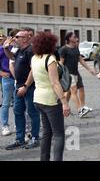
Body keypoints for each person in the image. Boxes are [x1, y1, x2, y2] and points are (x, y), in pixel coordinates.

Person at [31, 32, 71, 161]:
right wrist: (64, 102)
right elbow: (55, 83)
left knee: (46, 133)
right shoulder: (50, 59)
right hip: (50, 100)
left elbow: (32, 76)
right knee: (59, 134)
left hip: (38, 98)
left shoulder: (35, 58)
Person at [3, 29, 41, 150]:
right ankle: (20, 139)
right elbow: (12, 58)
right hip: (18, 86)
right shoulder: (20, 50)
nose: (14, 38)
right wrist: (6, 49)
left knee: (32, 112)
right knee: (18, 112)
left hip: (28, 87)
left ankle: (35, 137)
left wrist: (26, 86)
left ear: (25, 39)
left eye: (17, 37)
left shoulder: (30, 51)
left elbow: (33, 70)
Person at [59, 32, 96, 117]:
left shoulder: (76, 48)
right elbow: (61, 62)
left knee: (79, 89)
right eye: (74, 36)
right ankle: (80, 110)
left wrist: (90, 69)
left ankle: (66, 108)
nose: (76, 37)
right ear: (69, 39)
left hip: (76, 72)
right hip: (68, 73)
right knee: (73, 91)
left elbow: (80, 60)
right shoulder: (63, 49)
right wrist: (59, 74)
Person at [0, 30, 15, 136]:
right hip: (8, 77)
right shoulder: (2, 49)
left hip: (17, 78)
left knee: (17, 103)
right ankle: (4, 126)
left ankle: (17, 124)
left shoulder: (18, 49)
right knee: (6, 103)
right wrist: (1, 73)